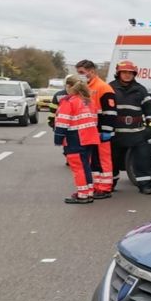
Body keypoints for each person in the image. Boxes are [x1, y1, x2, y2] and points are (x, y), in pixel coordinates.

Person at [111, 60, 151, 194]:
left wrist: (150, 129)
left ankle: (145, 185)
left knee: (142, 160)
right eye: (124, 72)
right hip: (116, 133)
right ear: (118, 73)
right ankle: (110, 184)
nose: (127, 75)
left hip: (137, 133)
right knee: (112, 160)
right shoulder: (110, 88)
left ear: (134, 74)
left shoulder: (140, 90)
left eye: (130, 73)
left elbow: (150, 111)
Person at [53, 75, 99, 204]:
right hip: (89, 137)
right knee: (86, 166)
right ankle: (88, 192)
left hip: (75, 137)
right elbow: (95, 120)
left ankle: (83, 195)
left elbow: (62, 122)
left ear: (68, 87)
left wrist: (58, 139)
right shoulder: (89, 101)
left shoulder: (69, 101)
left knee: (78, 168)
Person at [77, 59, 117, 198]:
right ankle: (96, 186)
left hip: (101, 130)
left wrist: (106, 131)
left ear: (92, 71)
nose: (80, 75)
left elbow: (110, 111)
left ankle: (105, 188)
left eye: (82, 72)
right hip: (90, 130)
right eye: (78, 73)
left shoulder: (103, 87)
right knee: (93, 159)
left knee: (103, 159)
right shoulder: (84, 88)